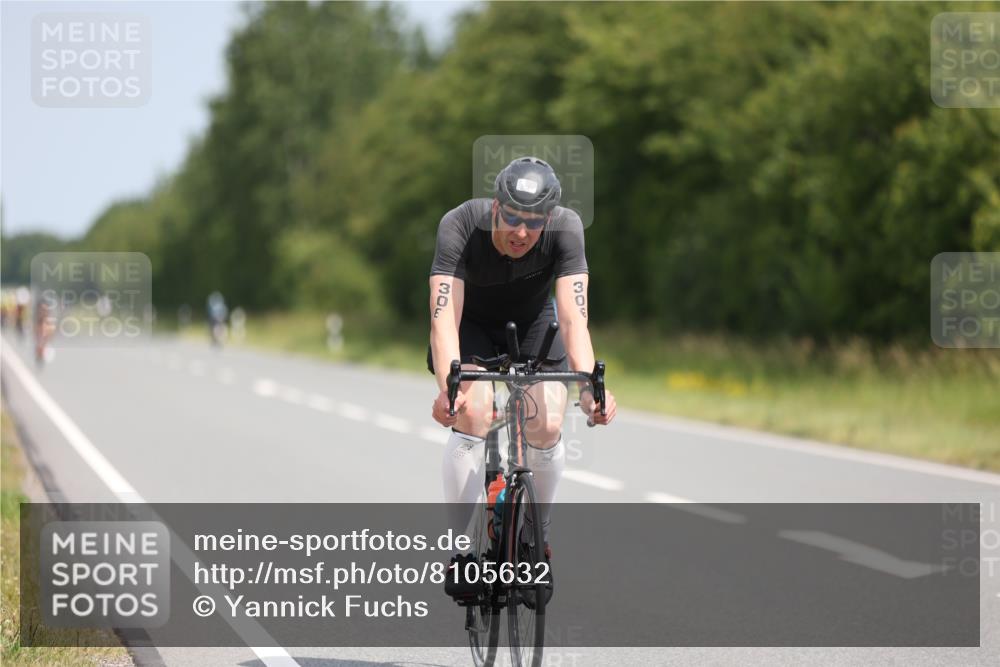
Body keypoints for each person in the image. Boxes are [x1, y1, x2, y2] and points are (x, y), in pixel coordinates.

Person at [428, 156, 617, 600]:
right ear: (495, 207)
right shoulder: (459, 224)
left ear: (548, 219)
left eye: (533, 222)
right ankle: (461, 554)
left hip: (535, 326)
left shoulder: (567, 228)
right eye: (511, 217)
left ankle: (537, 541)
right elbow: (442, 319)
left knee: (548, 422)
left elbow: (574, 320)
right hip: (469, 325)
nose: (520, 231)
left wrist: (592, 388)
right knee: (473, 413)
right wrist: (448, 391)